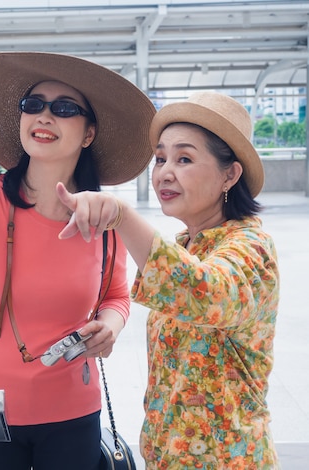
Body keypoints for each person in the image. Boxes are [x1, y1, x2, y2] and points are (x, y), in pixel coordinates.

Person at [0, 51, 156, 470]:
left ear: (88, 133)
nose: (44, 116)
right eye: (33, 105)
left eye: (64, 109)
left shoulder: (104, 214)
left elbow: (117, 295)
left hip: (72, 405)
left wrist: (110, 325)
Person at [58, 92, 280, 468]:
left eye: (185, 159)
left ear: (231, 173)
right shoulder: (187, 246)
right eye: (161, 158)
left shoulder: (252, 247)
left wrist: (123, 216)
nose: (164, 172)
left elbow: (206, 291)